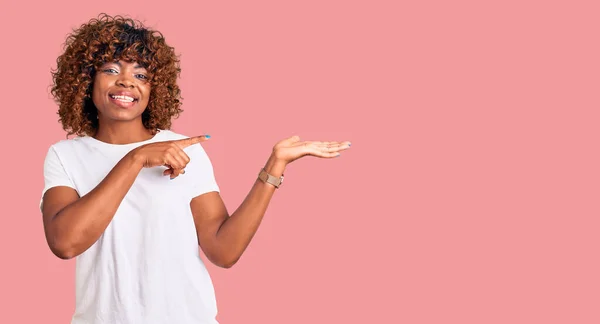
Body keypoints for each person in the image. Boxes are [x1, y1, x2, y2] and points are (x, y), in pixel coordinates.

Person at [41, 13, 351, 324]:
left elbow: (223, 251)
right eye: (111, 70)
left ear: (153, 89)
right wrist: (135, 159)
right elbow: (66, 243)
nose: (126, 81)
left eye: (141, 75)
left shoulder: (186, 150)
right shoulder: (65, 156)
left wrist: (275, 166)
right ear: (85, 80)